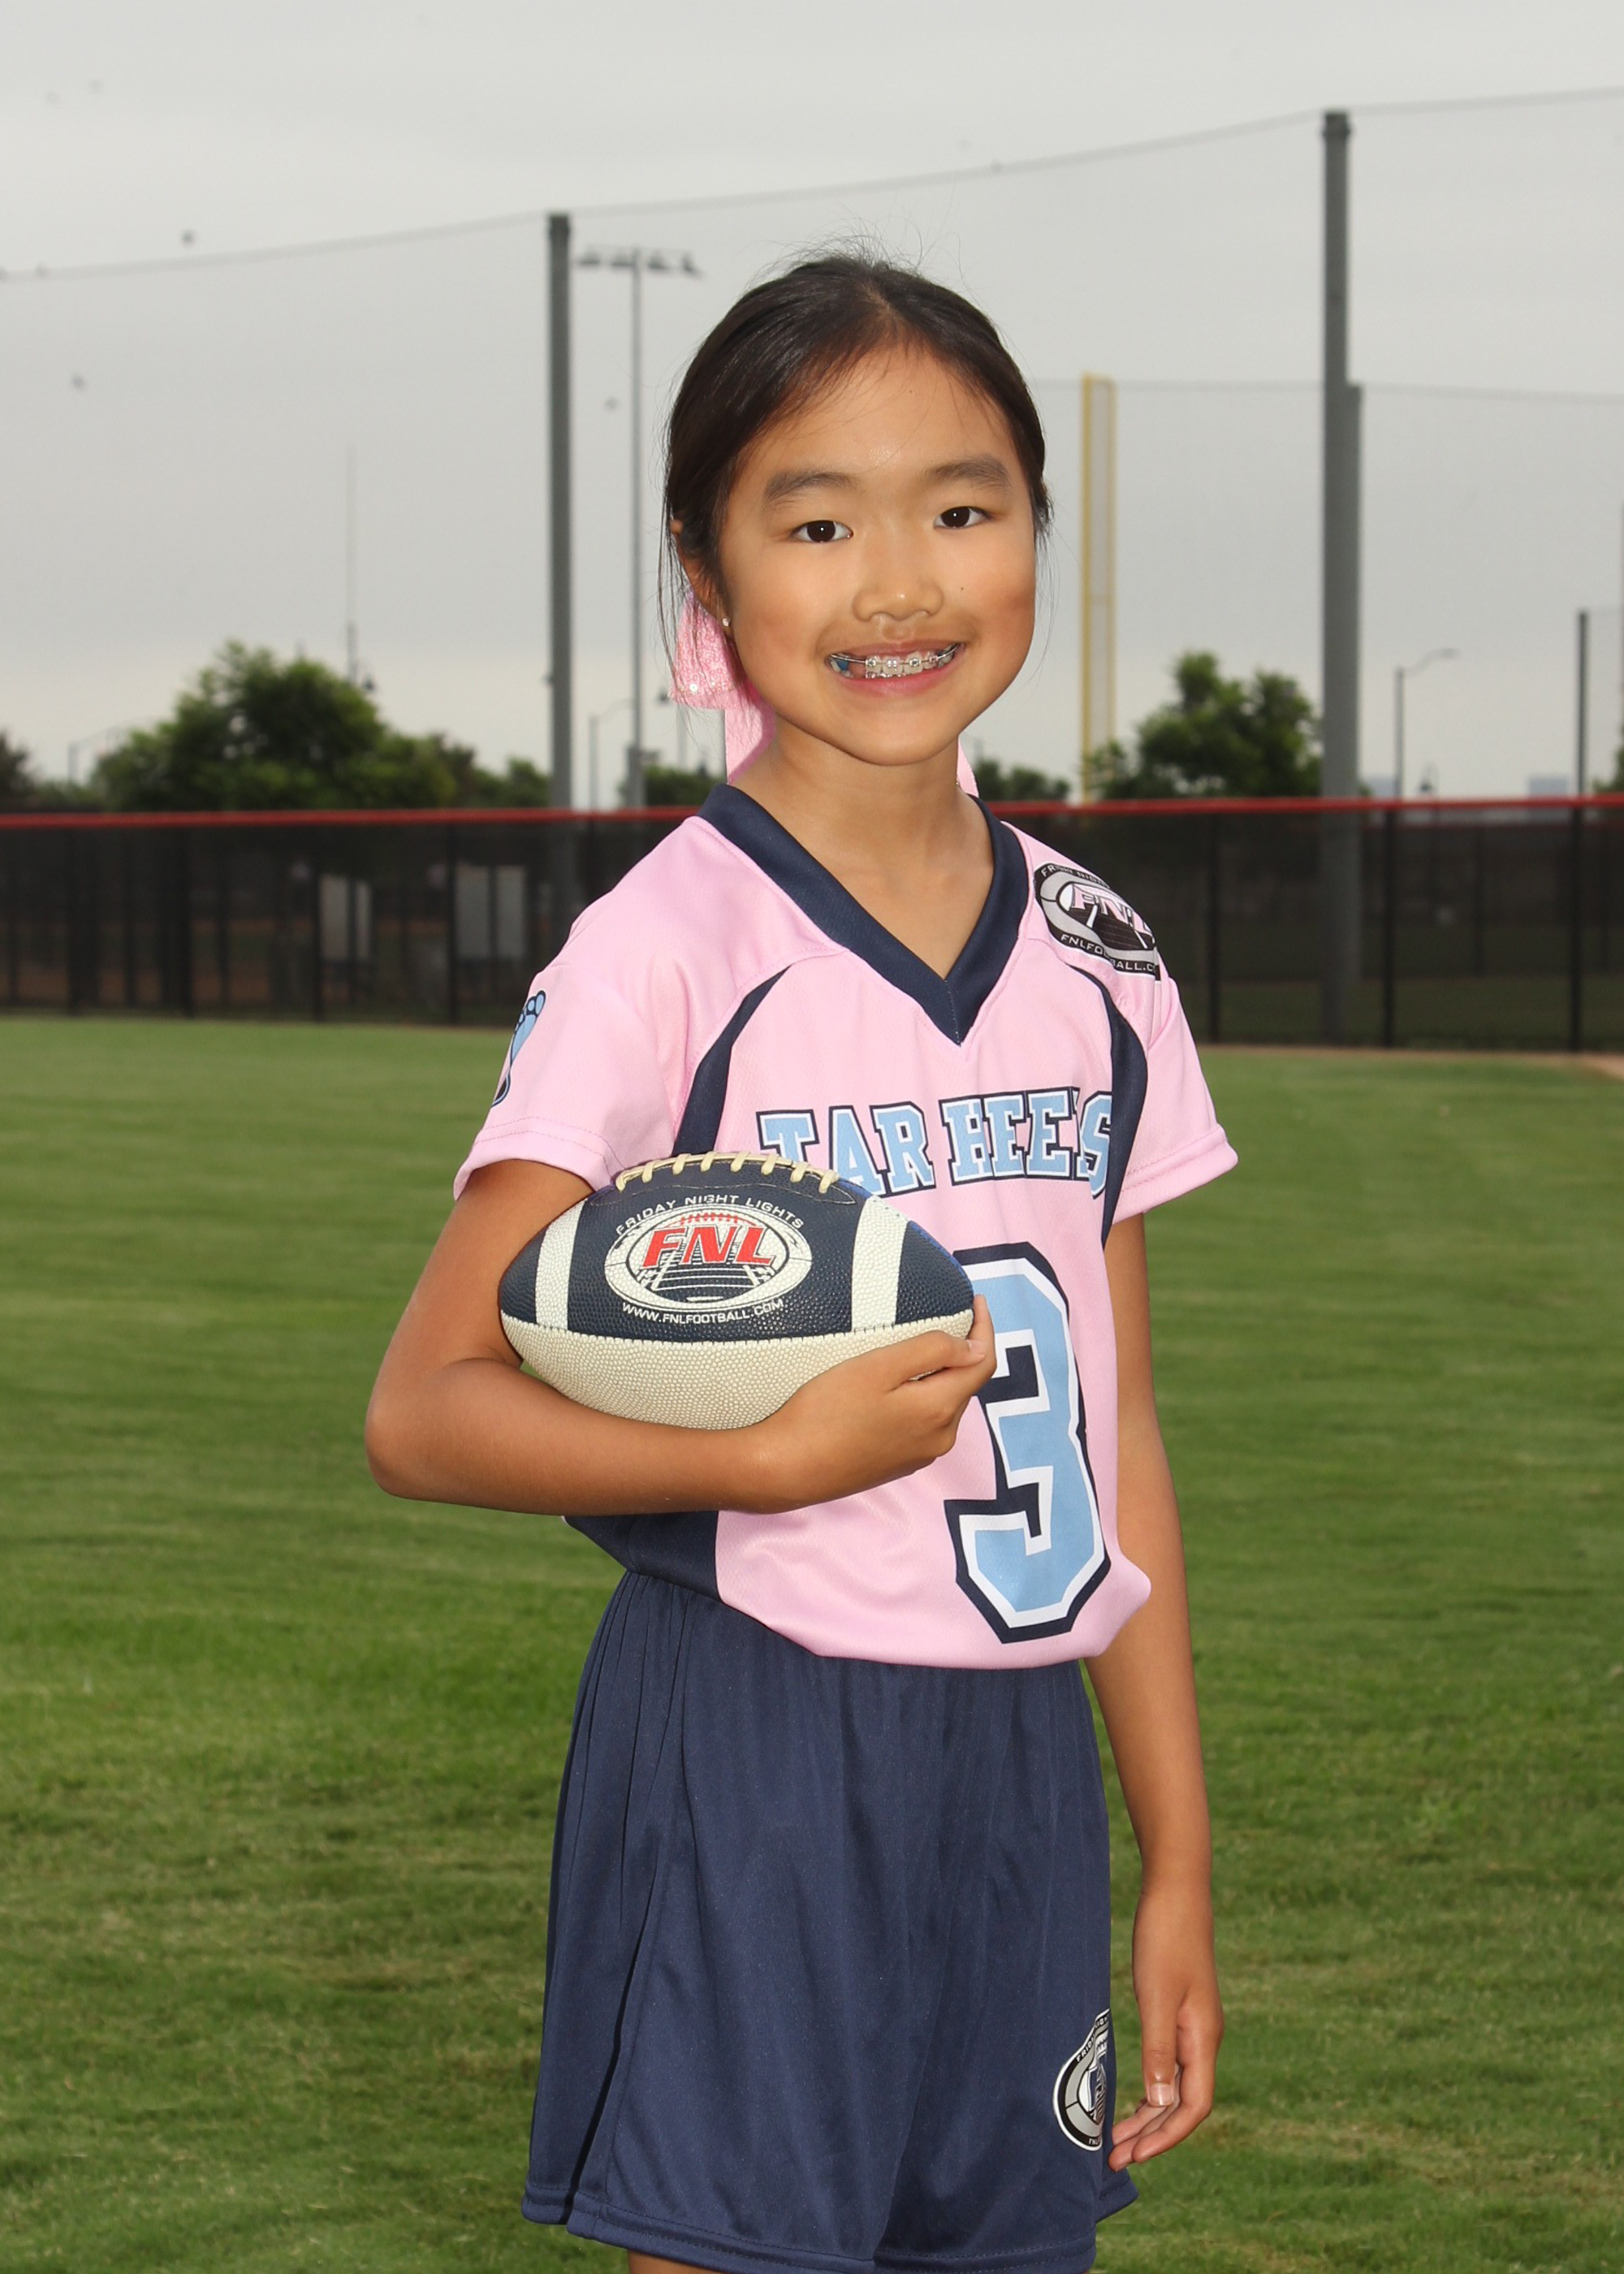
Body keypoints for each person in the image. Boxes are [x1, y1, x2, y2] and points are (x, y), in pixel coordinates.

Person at [367, 253, 1237, 2274]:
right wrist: (760, 1458)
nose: (900, 582)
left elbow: (1119, 1435)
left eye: (963, 505)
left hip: (1018, 1761)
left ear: (1035, 528)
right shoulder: (663, 953)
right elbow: (424, 1408)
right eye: (817, 522)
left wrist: (1177, 1851)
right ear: (708, 569)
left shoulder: (1097, 954)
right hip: (755, 1731)